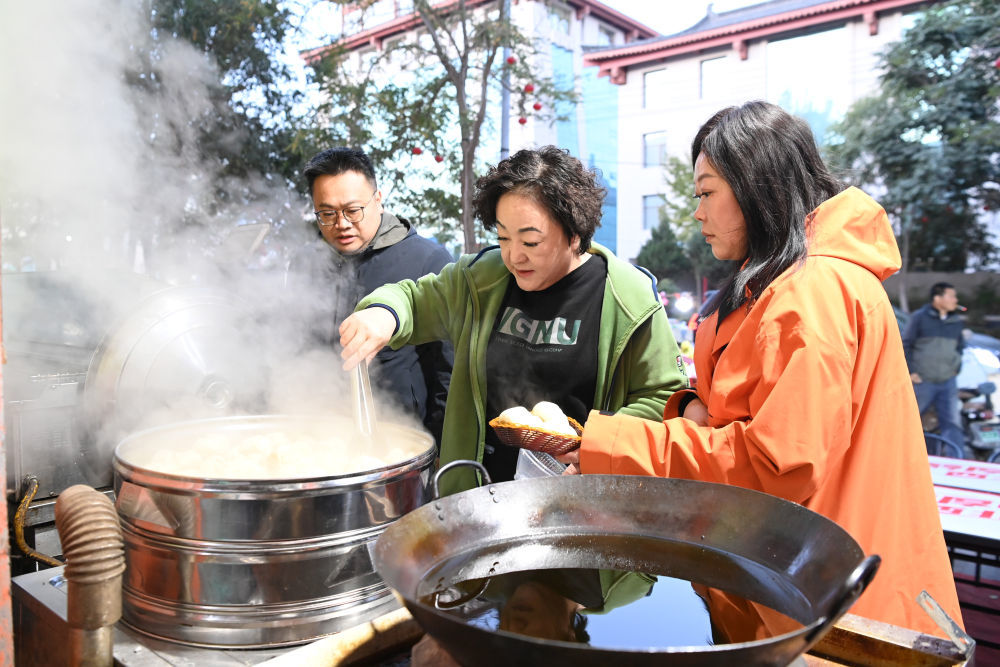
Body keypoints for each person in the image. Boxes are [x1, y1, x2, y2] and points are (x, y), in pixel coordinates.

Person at [561, 101, 962, 638]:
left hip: (834, 618)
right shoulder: (785, 282)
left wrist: (609, 446)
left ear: (756, 185)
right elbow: (754, 412)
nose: (696, 213)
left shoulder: (813, 291)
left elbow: (778, 466)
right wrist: (693, 408)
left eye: (706, 193)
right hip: (793, 589)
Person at [338, 146, 688, 496]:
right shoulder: (479, 280)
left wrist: (599, 446)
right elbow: (413, 299)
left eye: (531, 241)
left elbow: (664, 396)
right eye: (503, 237)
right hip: (480, 496)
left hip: (584, 501)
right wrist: (382, 314)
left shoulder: (627, 297)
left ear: (575, 232)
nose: (514, 255)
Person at [291, 147, 454, 444]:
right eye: (326, 214)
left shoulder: (426, 260)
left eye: (353, 210)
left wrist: (440, 447)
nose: (341, 224)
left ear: (378, 199)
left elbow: (448, 371)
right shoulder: (304, 263)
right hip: (316, 434)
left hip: (402, 439)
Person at [902, 282, 965, 451]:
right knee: (910, 420)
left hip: (947, 381)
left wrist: (955, 368)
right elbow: (905, 345)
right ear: (937, 298)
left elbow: (960, 348)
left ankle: (956, 462)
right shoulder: (919, 318)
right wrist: (912, 371)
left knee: (952, 423)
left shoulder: (956, 321)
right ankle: (900, 456)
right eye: (951, 296)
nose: (955, 300)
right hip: (923, 381)